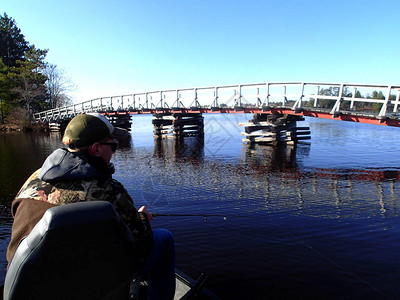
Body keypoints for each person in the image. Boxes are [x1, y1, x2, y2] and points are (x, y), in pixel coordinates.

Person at [6, 112, 175, 299]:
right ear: (96, 148)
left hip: (24, 288)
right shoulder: (109, 191)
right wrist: (141, 218)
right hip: (80, 286)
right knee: (164, 239)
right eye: (113, 146)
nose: (114, 152)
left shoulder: (34, 178)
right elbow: (143, 247)